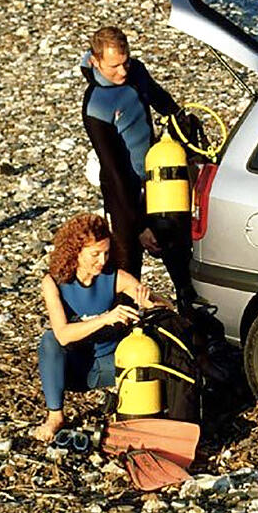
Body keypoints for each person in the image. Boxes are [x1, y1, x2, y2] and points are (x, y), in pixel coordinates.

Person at [81, 26, 197, 306]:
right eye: (114, 67)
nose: (122, 72)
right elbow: (113, 171)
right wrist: (140, 227)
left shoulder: (137, 72)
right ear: (95, 62)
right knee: (128, 267)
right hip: (123, 193)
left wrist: (183, 126)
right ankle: (125, 332)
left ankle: (192, 320)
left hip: (158, 180)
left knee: (179, 257)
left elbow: (162, 100)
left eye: (126, 62)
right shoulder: (96, 106)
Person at [32, 213, 171, 442]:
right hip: (74, 369)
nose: (102, 260)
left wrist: (152, 298)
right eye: (95, 254)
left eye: (106, 253)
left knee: (147, 347)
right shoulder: (53, 282)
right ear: (75, 252)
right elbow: (63, 335)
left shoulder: (116, 277)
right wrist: (105, 318)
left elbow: (166, 309)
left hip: (111, 365)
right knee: (49, 341)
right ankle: (55, 416)